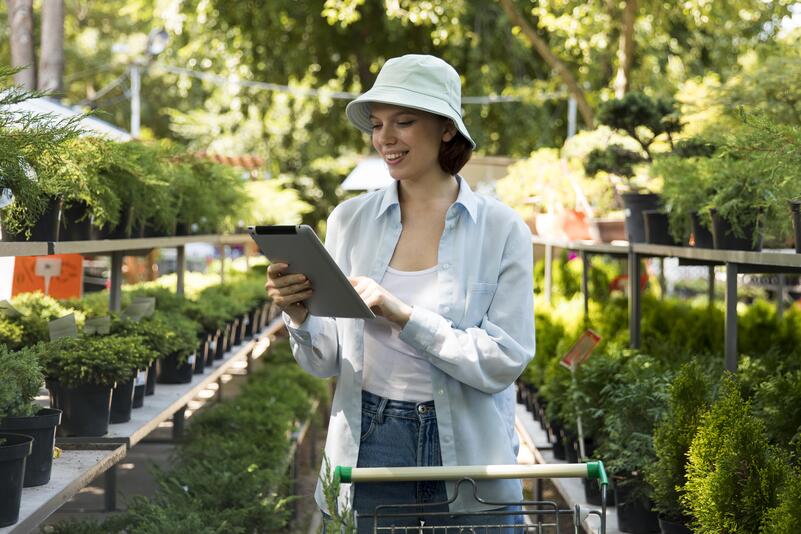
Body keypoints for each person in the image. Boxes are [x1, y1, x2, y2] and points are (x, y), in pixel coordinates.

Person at [265, 54, 535, 531]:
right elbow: (325, 361)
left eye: (404, 122)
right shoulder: (349, 222)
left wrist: (403, 314)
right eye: (377, 124)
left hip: (469, 442)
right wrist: (301, 316)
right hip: (370, 435)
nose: (384, 139)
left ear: (447, 128)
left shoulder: (500, 228)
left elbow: (503, 360)